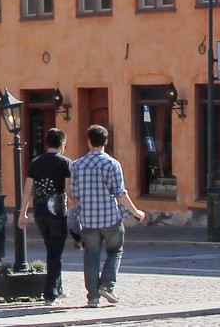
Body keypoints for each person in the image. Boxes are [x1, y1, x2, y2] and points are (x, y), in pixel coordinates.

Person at [70, 125, 146, 308]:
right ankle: (107, 285)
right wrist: (136, 212)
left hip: (88, 220)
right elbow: (120, 193)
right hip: (110, 218)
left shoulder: (77, 165)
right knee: (115, 251)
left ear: (88, 141)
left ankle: (93, 298)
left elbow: (73, 195)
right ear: (106, 141)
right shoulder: (112, 164)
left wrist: (86, 204)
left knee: (91, 256)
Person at [18, 128, 75, 305]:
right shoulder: (66, 163)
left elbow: (27, 190)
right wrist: (78, 205)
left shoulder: (36, 162)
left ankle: (58, 287)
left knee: (52, 248)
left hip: (40, 212)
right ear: (62, 145)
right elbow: (68, 190)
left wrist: (23, 214)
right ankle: (50, 294)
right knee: (55, 252)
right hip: (57, 213)